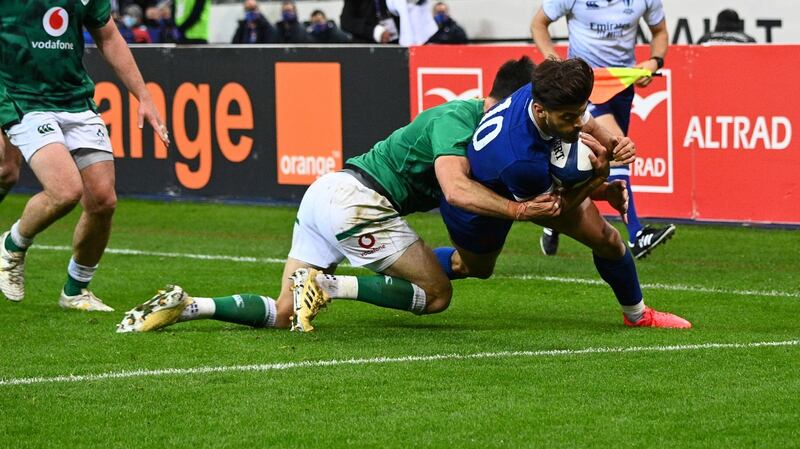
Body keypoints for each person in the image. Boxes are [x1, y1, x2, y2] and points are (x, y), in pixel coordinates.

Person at [118, 57, 564, 333]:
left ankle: (189, 306)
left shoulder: (482, 129)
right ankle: (329, 284)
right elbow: (455, 187)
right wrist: (519, 210)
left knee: (283, 311)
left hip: (327, 194)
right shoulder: (459, 118)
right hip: (358, 201)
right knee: (437, 294)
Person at [436, 58, 690, 329]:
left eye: (580, 112)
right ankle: (410, 265)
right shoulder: (523, 163)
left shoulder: (542, 91)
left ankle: (638, 315)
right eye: (568, 118)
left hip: (514, 178)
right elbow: (554, 207)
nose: (577, 123)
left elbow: (586, 123)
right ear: (540, 111)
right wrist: (599, 181)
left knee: (607, 238)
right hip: (478, 206)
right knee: (472, 268)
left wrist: (614, 145)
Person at [0, 0, 169, 309]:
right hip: (23, 98)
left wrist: (143, 96)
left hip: (76, 101)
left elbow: (109, 36)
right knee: (64, 192)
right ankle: (12, 245)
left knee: (103, 200)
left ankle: (76, 290)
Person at [532, 0, 675, 260]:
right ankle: (637, 236)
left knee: (598, 158)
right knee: (617, 146)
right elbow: (539, 23)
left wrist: (654, 62)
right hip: (585, 85)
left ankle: (555, 213)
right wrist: (554, 62)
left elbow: (660, 31)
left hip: (622, 83)